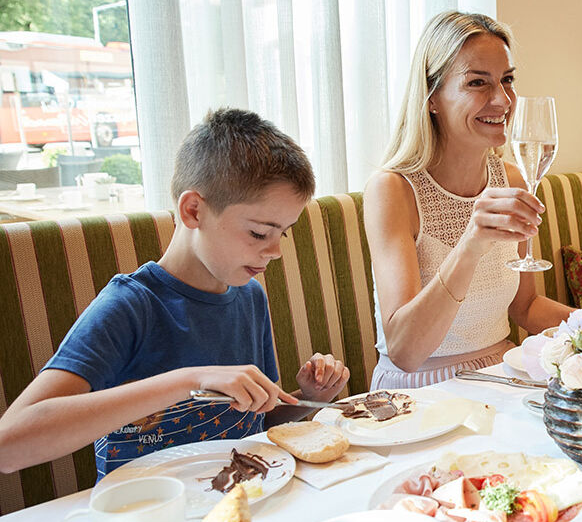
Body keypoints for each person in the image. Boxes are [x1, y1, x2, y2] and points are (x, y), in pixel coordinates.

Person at [0, 108, 350, 478]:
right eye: (260, 233)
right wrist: (189, 381)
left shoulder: (249, 296)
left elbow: (257, 422)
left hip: (242, 494)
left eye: (284, 233)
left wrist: (310, 397)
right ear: (193, 211)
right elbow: (10, 446)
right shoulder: (130, 306)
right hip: (145, 505)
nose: (276, 251)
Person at [364, 11, 572, 389]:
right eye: (478, 82)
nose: (503, 100)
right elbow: (406, 351)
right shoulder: (392, 190)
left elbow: (525, 307)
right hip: (422, 392)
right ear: (432, 98)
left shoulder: (511, 179)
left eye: (507, 80)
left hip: (501, 377)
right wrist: (470, 245)